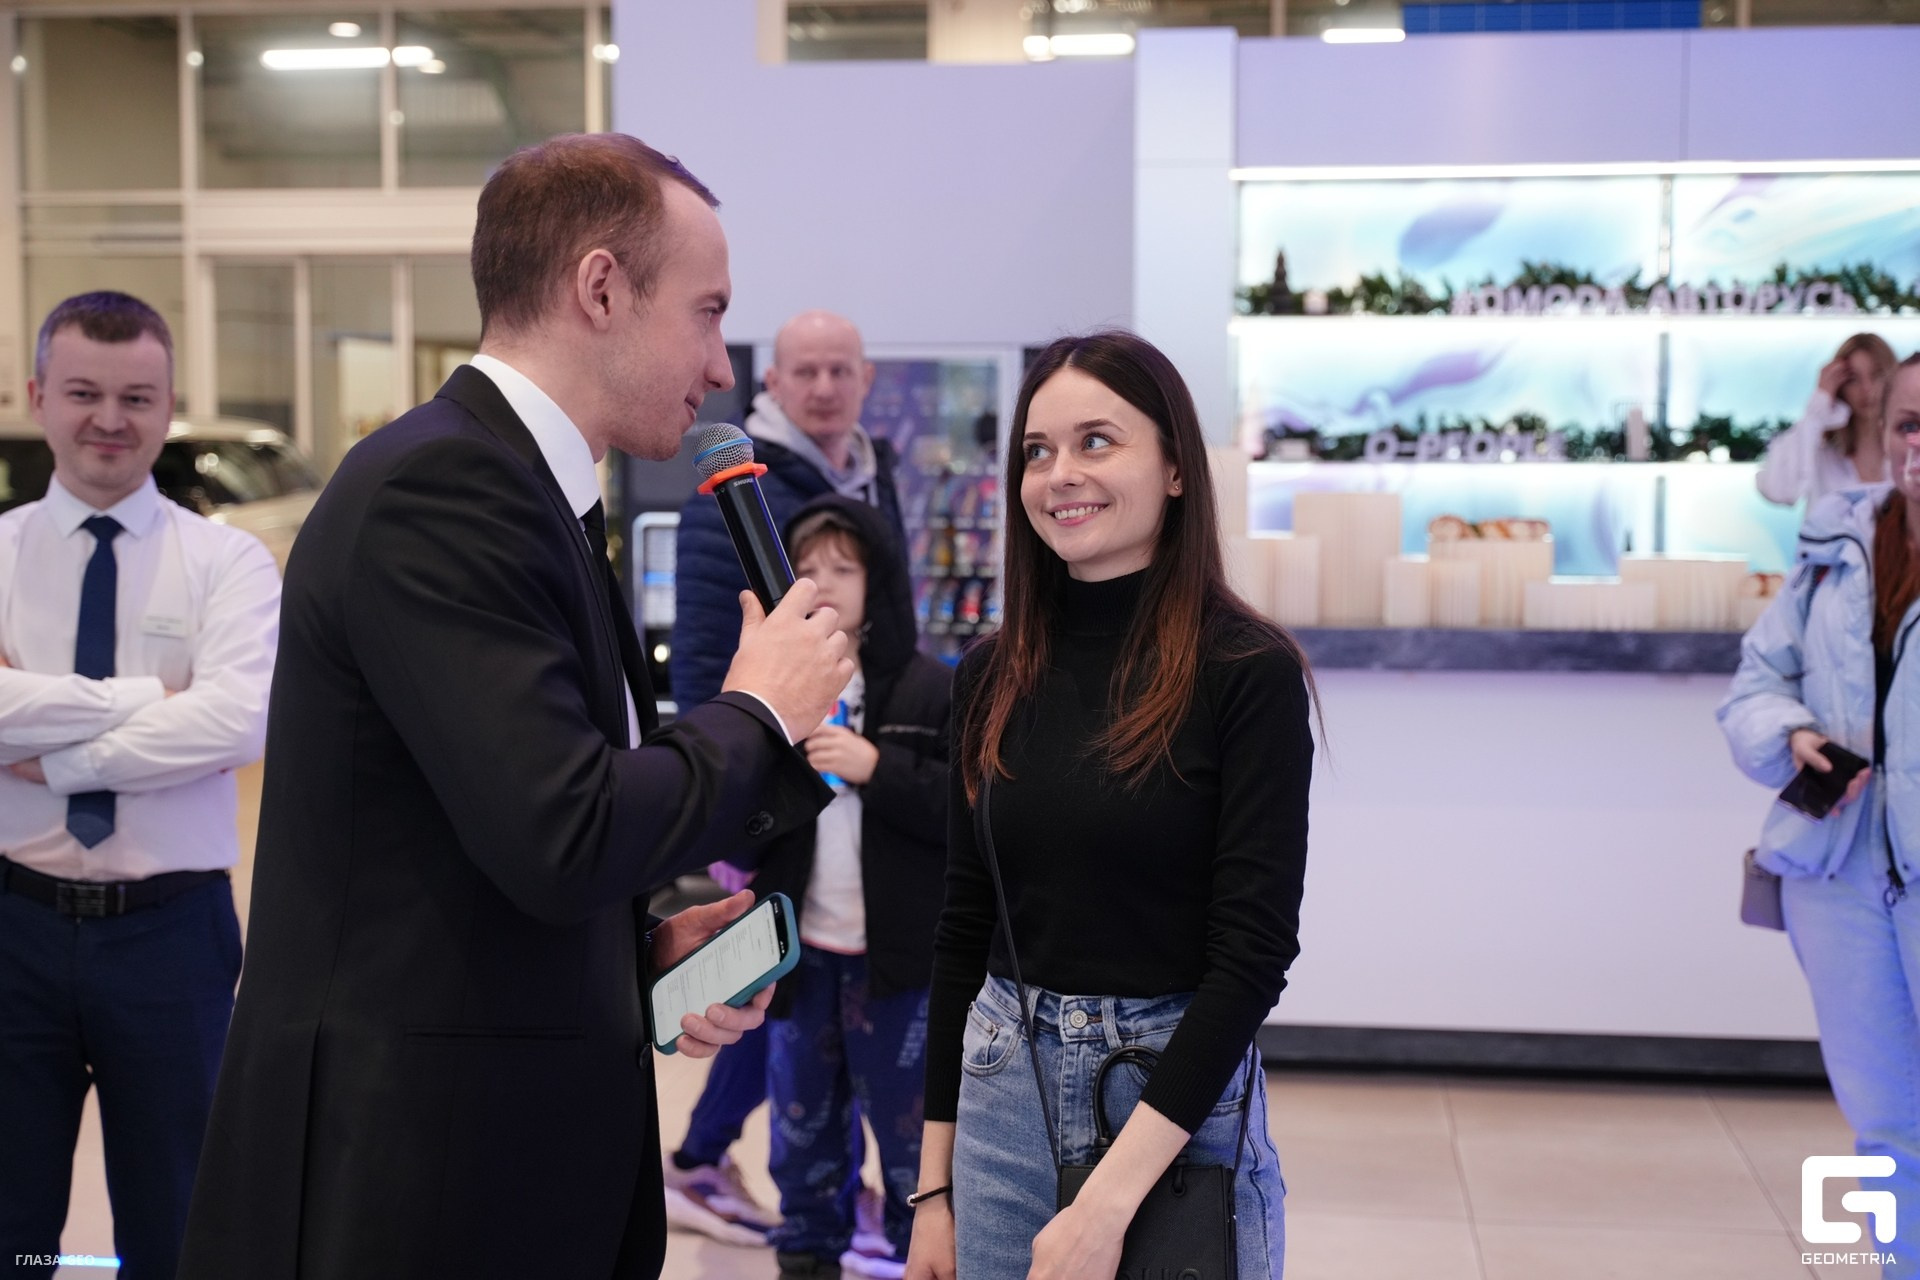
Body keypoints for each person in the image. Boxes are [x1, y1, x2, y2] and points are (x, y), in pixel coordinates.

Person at [178, 133, 854, 1280]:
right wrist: (759, 706)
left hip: (489, 1154)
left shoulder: (531, 491)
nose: (721, 367)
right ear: (602, 288)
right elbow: (564, 827)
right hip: (414, 1177)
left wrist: (639, 946)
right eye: (707, 313)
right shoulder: (444, 486)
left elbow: (499, 821)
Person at [906, 331, 1314, 1280]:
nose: (1060, 474)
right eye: (1037, 451)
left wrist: (1107, 1205)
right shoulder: (989, 676)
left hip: (1171, 1097)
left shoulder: (1245, 672)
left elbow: (1252, 955)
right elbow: (964, 930)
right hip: (1002, 1089)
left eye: (1097, 441)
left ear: (1175, 469)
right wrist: (932, 1193)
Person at [0, 291, 280, 1280]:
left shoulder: (229, 562)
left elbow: (235, 721)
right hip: (13, 926)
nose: (109, 420)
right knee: (11, 1224)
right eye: (83, 392)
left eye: (136, 397)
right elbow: (191, 718)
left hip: (172, 935)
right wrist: (141, 701)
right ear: (38, 395)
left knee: (179, 1225)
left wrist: (49, 751)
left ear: (167, 407)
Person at [664, 308, 904, 1246]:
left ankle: (786, 1170)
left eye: (841, 369)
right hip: (769, 773)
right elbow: (703, 653)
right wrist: (722, 800)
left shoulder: (869, 472)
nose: (825, 387)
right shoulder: (733, 491)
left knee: (799, 980)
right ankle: (701, 1156)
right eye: (805, 371)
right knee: (773, 972)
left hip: (845, 765)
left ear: (867, 378)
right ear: (772, 380)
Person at [1720, 352, 1920, 1280]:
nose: (1919, 447)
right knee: (1884, 1120)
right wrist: (1791, 732)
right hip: (1838, 878)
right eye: (1910, 425)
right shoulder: (1838, 545)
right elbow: (1757, 682)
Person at [736, 495, 951, 1280]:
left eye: (843, 566)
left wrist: (877, 768)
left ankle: (916, 1256)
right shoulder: (773, 687)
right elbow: (739, 816)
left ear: (878, 578)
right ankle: (806, 1255)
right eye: (807, 566)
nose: (822, 581)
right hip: (800, 956)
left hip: (899, 965)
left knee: (911, 1142)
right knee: (802, 1134)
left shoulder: (930, 688)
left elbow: (971, 809)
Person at [1757, 332, 1897, 510]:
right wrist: (1819, 403)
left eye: (1877, 375)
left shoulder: (1910, 453)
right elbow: (1778, 491)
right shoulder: (1820, 455)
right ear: (1840, 386)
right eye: (1853, 379)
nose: (1866, 389)